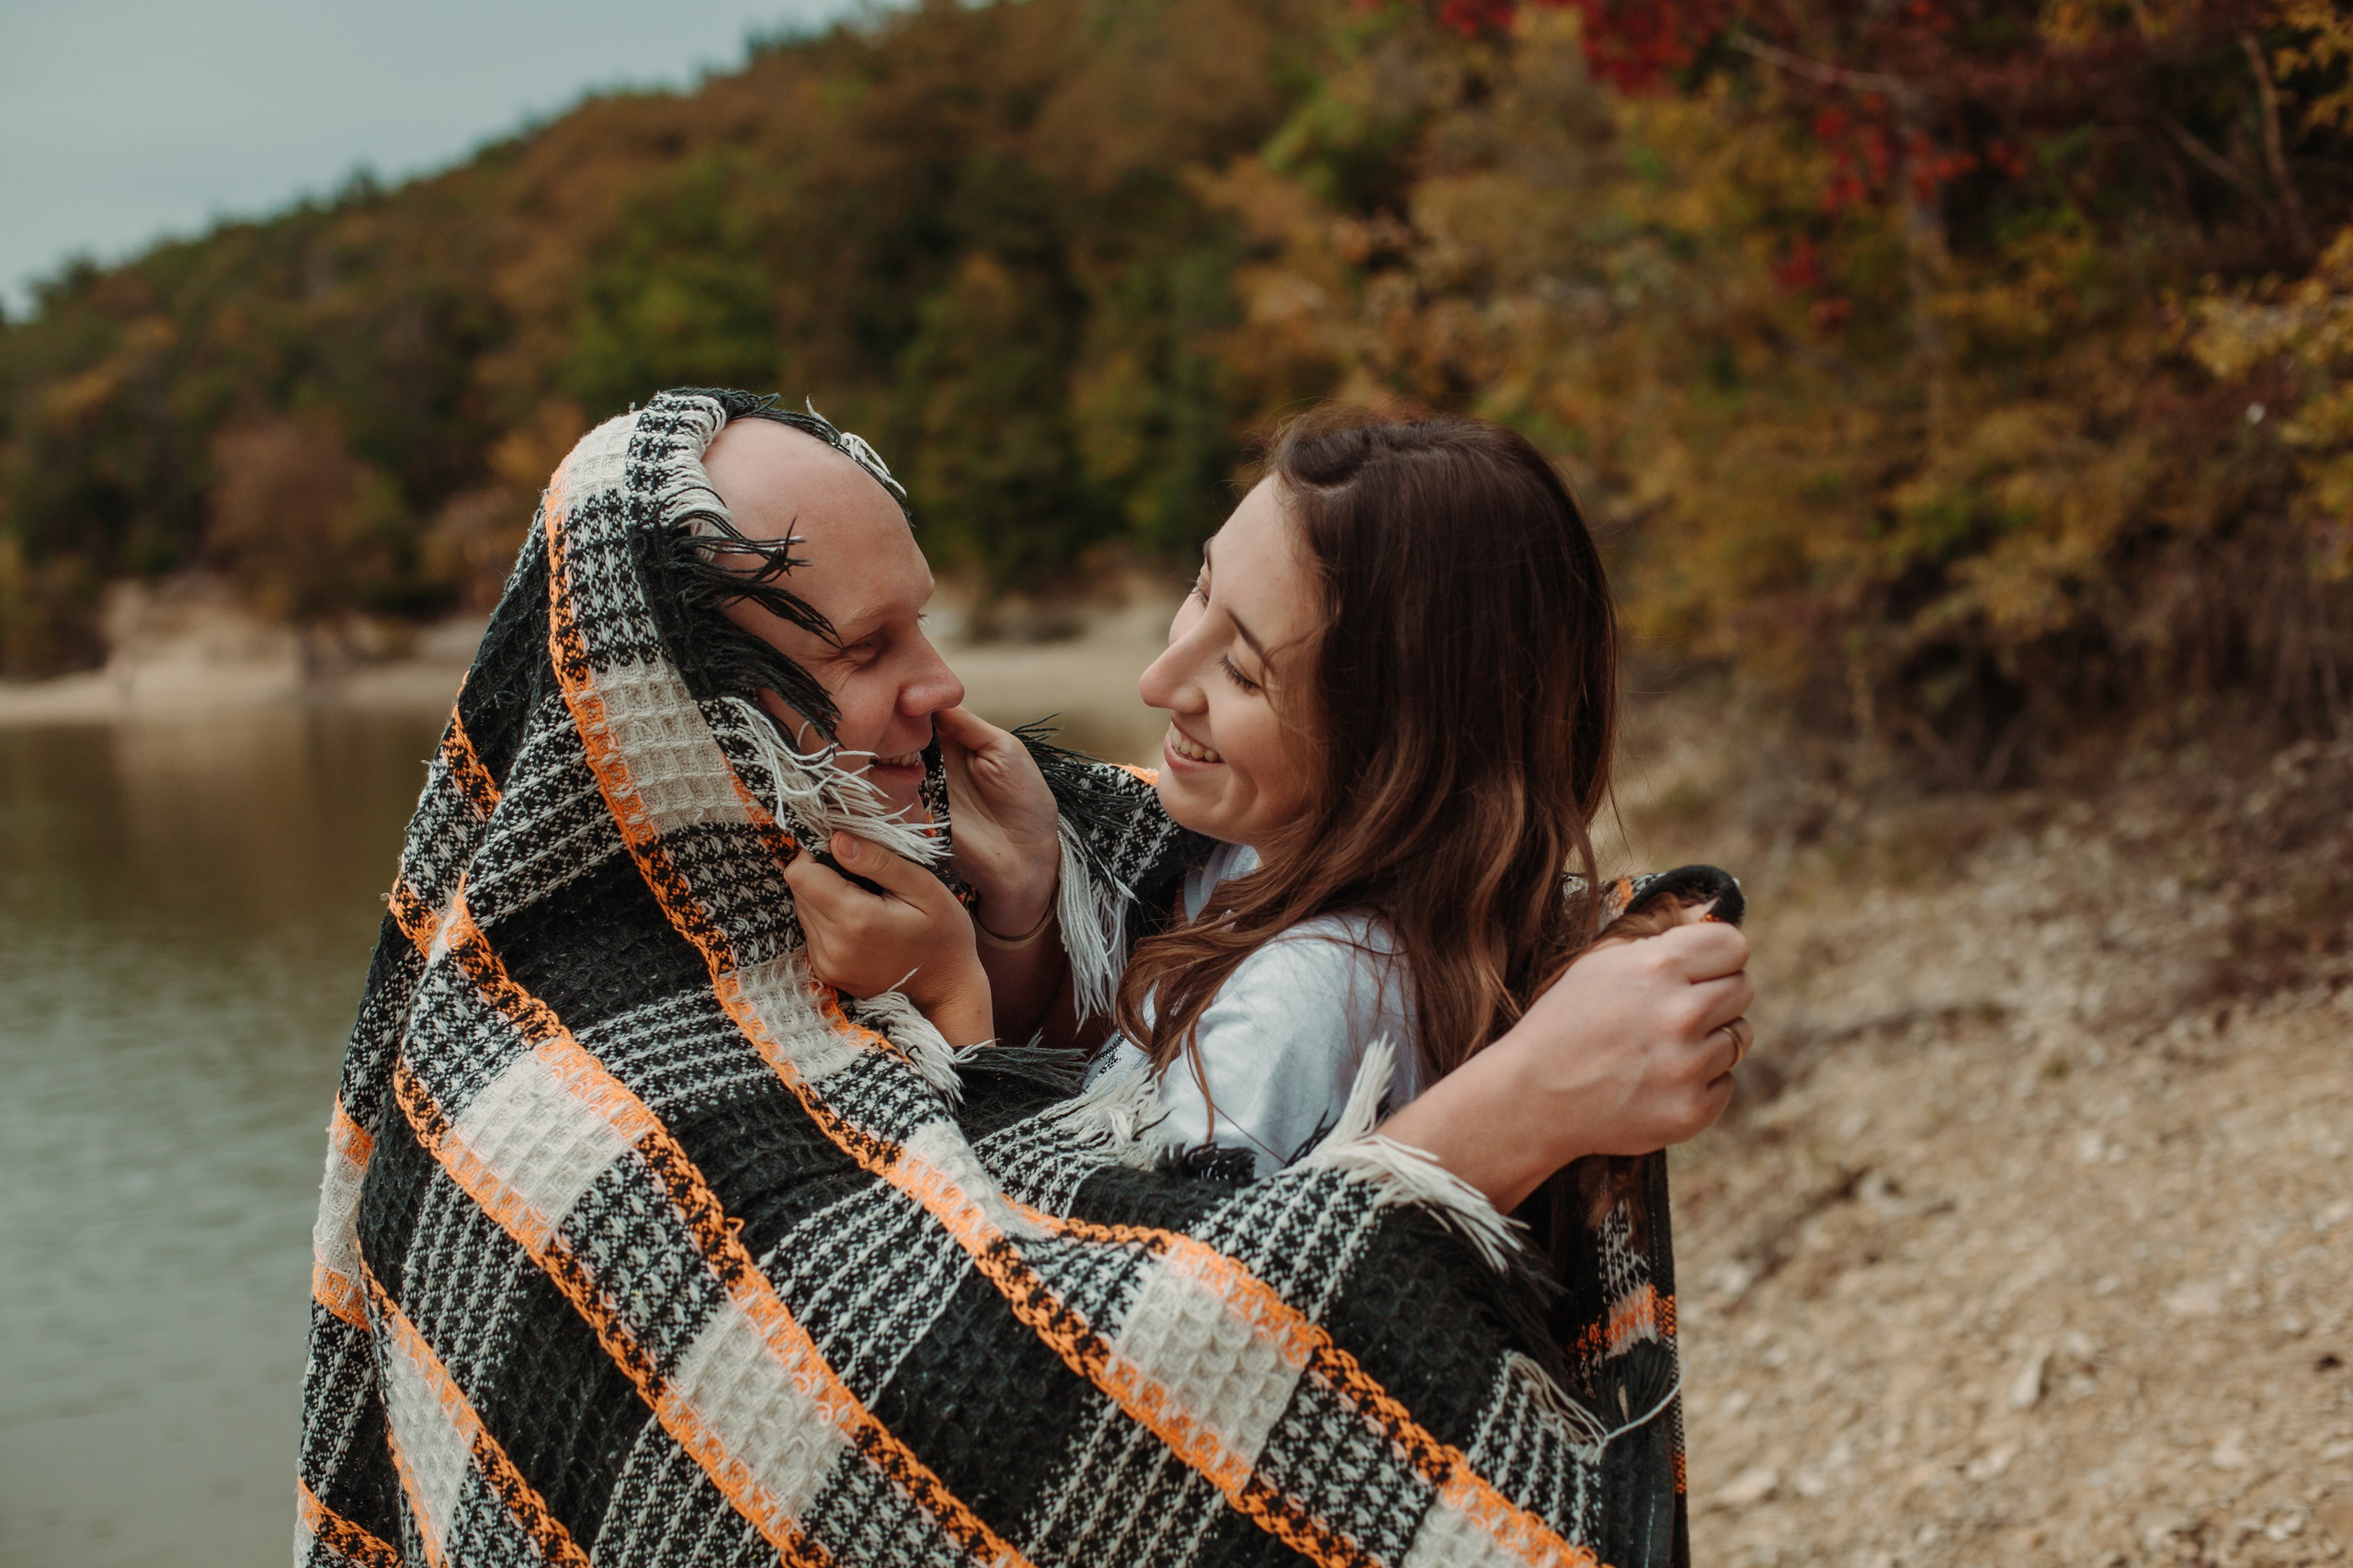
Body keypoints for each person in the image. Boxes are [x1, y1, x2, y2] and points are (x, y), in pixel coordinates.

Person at [295, 389, 1749, 1568]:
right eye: (869, 646)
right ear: (682, 717)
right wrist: (1022, 941)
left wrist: (981, 984)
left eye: (1240, 662)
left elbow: (1109, 1356)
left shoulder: (1301, 968)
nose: (947, 687)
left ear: (1398, 742)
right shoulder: (552, 1108)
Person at [787, 411, 1754, 1192]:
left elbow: (1125, 1308)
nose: (1159, 679)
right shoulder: (1249, 858)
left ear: (1397, 750)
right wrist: (1031, 913)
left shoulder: (1307, 995)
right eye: (1198, 591)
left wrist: (951, 994)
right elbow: (1130, 1079)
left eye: (1243, 670)